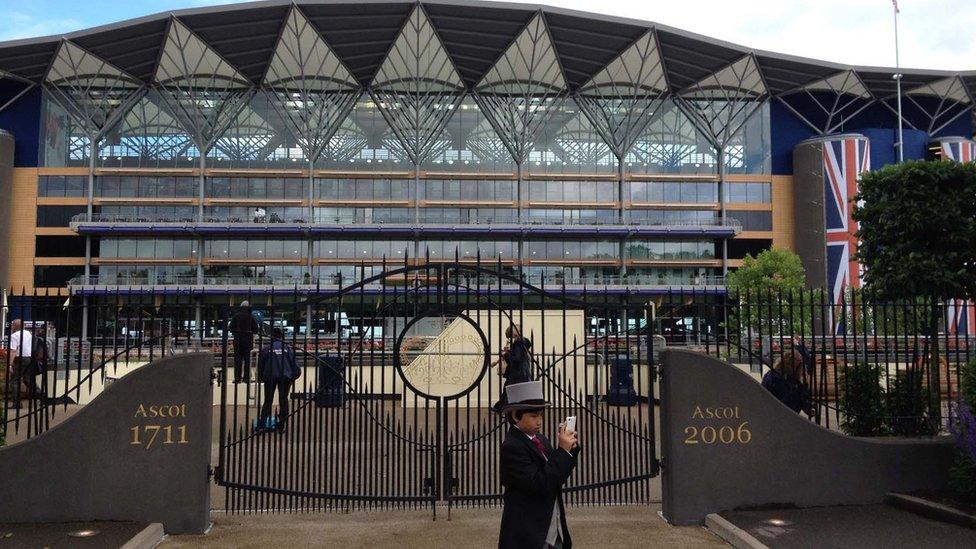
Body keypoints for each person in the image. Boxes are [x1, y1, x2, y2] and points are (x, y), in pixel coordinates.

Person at [498, 381, 580, 549]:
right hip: (529, 531)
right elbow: (541, 483)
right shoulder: (512, 446)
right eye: (533, 416)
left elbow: (556, 474)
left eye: (541, 415)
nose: (539, 421)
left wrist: (569, 450)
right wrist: (563, 452)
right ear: (515, 416)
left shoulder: (540, 439)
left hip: (551, 525)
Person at [257, 327, 301, 433]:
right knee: (283, 401)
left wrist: (261, 377)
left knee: (268, 401)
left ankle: (262, 425)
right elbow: (295, 366)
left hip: (270, 377)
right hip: (285, 377)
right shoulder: (287, 348)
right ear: (281, 336)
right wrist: (293, 377)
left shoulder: (266, 349)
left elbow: (260, 365)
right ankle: (281, 427)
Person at [491, 324, 535, 412]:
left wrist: (506, 354)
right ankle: (500, 408)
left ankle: (501, 408)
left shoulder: (518, 342)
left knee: (508, 390)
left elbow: (516, 359)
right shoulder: (522, 342)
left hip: (517, 373)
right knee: (510, 390)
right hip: (522, 372)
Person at [761, 350, 813, 416]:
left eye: (797, 366)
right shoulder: (774, 376)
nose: (795, 368)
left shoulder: (793, 378)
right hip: (780, 412)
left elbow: (800, 395)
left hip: (787, 412)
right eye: (794, 365)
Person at [229, 301, 260, 383]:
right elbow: (256, 329)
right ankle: (246, 378)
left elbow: (230, 327)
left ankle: (237, 378)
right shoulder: (251, 317)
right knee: (247, 360)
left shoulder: (236, 316)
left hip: (238, 340)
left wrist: (237, 332)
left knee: (238, 360)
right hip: (248, 341)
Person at [6, 319, 34, 409]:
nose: (11, 327)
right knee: (27, 379)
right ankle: (42, 396)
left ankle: (17, 404)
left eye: (13, 325)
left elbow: (13, 350)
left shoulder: (14, 335)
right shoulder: (29, 333)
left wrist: (9, 364)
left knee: (14, 381)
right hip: (29, 358)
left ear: (15, 326)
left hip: (20, 359)